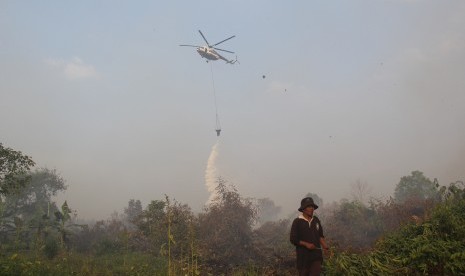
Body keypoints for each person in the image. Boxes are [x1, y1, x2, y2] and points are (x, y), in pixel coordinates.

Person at [290, 197, 329, 276]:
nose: (312, 209)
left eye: (312, 207)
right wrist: (306, 244)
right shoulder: (297, 222)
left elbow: (320, 235)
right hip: (303, 258)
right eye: (309, 207)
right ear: (303, 209)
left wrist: (325, 246)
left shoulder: (316, 220)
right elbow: (293, 239)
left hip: (316, 256)